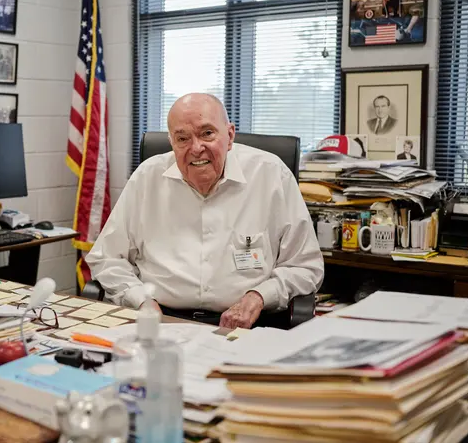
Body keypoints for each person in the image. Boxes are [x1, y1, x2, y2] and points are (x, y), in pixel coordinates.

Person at [86, 93, 324, 330]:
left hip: (248, 324)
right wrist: (140, 299)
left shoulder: (272, 176)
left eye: (207, 133)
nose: (196, 148)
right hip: (160, 321)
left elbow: (305, 266)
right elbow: (107, 258)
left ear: (229, 136)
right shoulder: (147, 177)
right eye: (182, 138)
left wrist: (258, 297)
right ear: (172, 142)